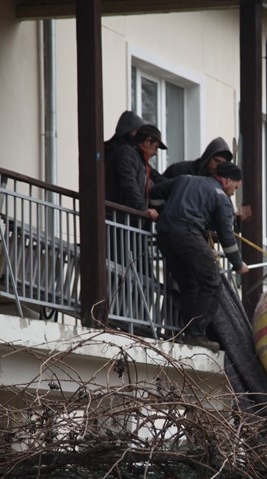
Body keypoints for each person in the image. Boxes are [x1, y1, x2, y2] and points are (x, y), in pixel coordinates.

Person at [151, 161, 249, 350]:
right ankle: (196, 334)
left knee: (189, 284)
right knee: (212, 281)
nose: (233, 192)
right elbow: (227, 237)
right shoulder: (221, 198)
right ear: (228, 181)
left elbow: (155, 193)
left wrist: (161, 211)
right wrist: (238, 264)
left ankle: (185, 331)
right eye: (235, 187)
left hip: (164, 235)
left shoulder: (185, 180)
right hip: (188, 235)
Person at [105, 113, 165, 222]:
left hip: (125, 221)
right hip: (117, 220)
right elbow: (129, 184)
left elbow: (157, 178)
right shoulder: (127, 153)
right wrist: (143, 209)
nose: (156, 153)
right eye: (155, 147)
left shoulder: (140, 161)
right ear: (147, 142)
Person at [163, 136, 232, 179]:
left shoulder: (223, 182)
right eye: (217, 161)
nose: (219, 166)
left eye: (223, 163)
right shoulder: (180, 170)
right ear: (208, 158)